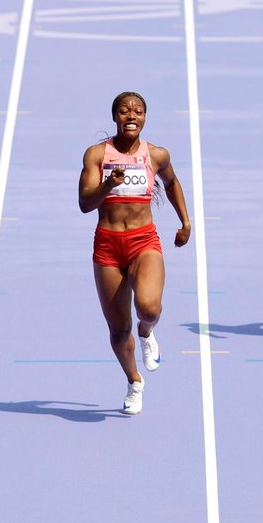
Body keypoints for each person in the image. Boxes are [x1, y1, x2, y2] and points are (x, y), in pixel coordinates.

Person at [78, 92, 191, 415]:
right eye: (125, 111)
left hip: (143, 242)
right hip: (108, 246)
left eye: (138, 111)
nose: (131, 115)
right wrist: (106, 185)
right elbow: (85, 204)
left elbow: (171, 184)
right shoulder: (97, 155)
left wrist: (185, 222)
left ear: (144, 118)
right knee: (117, 330)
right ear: (115, 117)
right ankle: (134, 381)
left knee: (149, 307)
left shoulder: (156, 155)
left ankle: (148, 331)